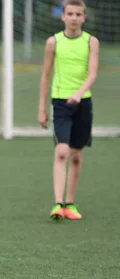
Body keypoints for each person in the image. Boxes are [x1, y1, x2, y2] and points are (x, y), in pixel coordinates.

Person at [38, 0, 99, 221]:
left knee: (76, 156)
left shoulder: (91, 42)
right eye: (70, 14)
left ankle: (70, 204)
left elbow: (92, 74)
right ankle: (58, 204)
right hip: (60, 103)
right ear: (62, 16)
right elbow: (45, 76)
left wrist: (79, 92)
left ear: (84, 17)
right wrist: (41, 108)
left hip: (83, 103)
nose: (74, 18)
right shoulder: (53, 42)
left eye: (78, 14)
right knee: (62, 151)